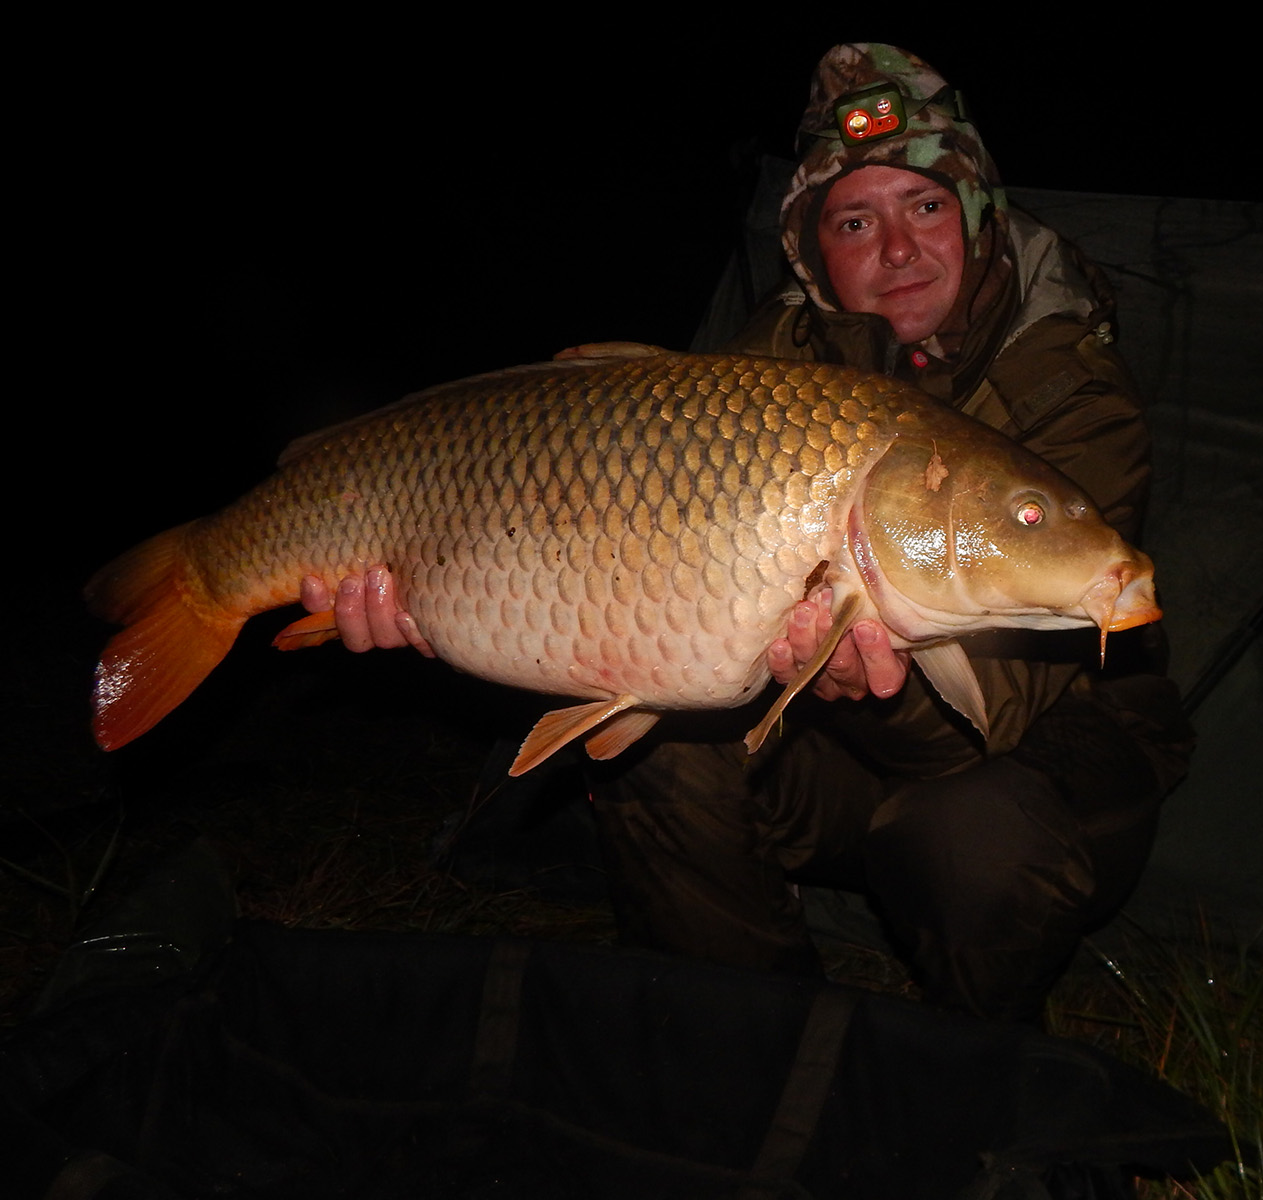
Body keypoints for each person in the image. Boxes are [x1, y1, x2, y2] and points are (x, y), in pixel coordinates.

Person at [303, 44, 1192, 1024]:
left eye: (926, 205)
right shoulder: (765, 371)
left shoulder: (1071, 390)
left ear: (979, 214)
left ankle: (969, 1071)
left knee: (968, 836)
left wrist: (873, 682)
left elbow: (986, 728)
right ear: (812, 250)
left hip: (1047, 769)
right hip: (833, 748)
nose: (898, 249)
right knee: (652, 752)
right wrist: (444, 598)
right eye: (856, 221)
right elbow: (608, 566)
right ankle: (750, 1041)